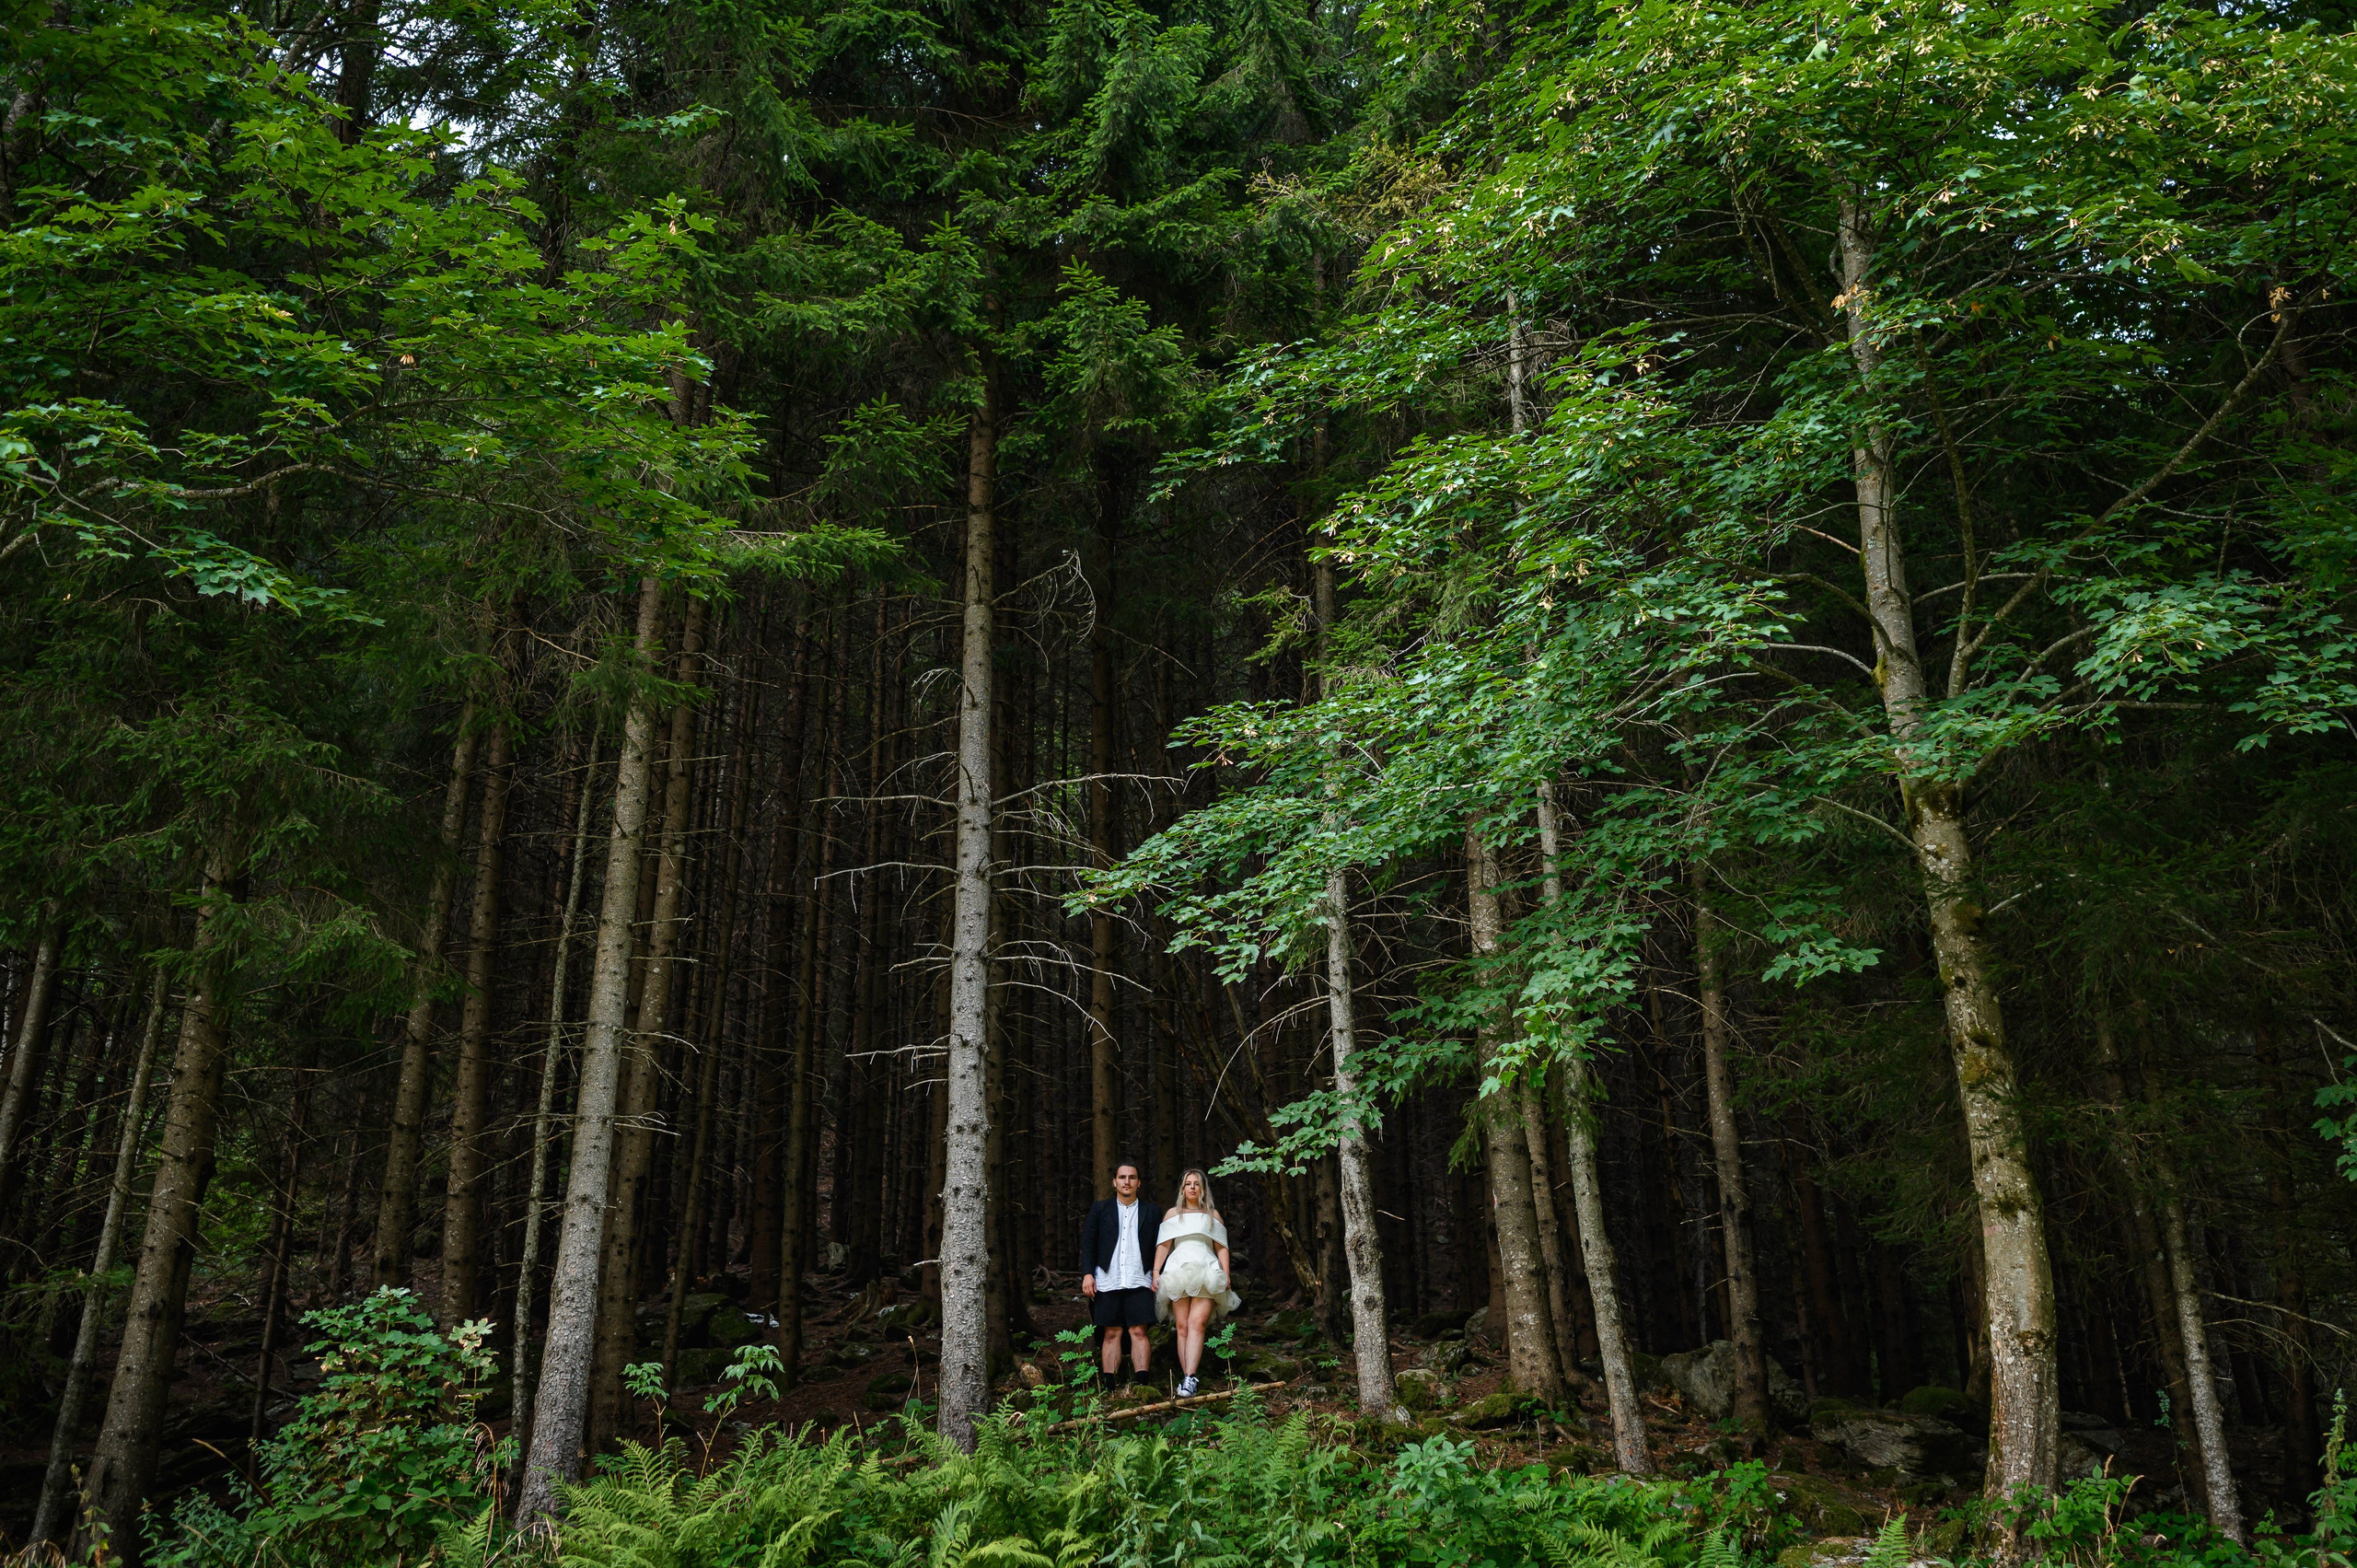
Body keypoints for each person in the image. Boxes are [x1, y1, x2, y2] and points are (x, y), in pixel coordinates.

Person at [1152, 1167, 1240, 1399]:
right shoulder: (1173, 1214)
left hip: (1206, 1270)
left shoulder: (1212, 1215)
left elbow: (1222, 1247)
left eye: (1196, 1184)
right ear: (1182, 1189)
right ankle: (1186, 1378)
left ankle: (1191, 1377)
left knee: (1197, 1323)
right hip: (1178, 1269)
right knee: (1182, 1326)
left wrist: (1226, 1273)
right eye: (1188, 1183)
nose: (1192, 1187)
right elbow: (1164, 1244)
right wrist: (1155, 1272)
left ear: (1202, 1188)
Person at [1079, 1161, 1154, 1388]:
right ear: (1114, 1182)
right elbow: (1089, 1243)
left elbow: (1159, 1246)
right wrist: (1087, 1274)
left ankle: (1142, 1384)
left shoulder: (1152, 1211)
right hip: (1107, 1279)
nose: (1127, 1182)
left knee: (1139, 1331)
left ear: (1138, 1183)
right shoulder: (1100, 1209)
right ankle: (1109, 1386)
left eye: (1132, 1177)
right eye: (1122, 1177)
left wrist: (1158, 1273)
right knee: (1111, 1332)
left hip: (1140, 1278)